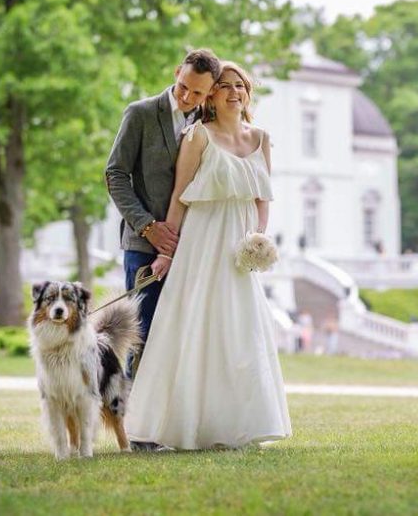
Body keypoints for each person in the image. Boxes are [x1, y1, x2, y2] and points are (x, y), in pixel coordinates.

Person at [123, 61, 292, 450]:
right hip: (201, 242)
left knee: (238, 332)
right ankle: (179, 425)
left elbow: (262, 199)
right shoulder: (197, 135)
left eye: (241, 86)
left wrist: (257, 239)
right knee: (195, 328)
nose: (235, 92)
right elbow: (180, 196)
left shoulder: (262, 138)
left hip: (239, 250)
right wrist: (166, 251)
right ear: (212, 96)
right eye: (226, 86)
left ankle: (237, 425)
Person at [105, 48, 222, 450]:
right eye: (184, 87)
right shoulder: (139, 113)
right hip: (144, 245)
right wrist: (147, 226)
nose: (187, 98)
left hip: (194, 249)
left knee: (180, 336)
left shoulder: (208, 121)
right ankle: (136, 430)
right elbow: (115, 174)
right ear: (177, 73)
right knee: (143, 334)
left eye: (197, 94)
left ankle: (173, 423)